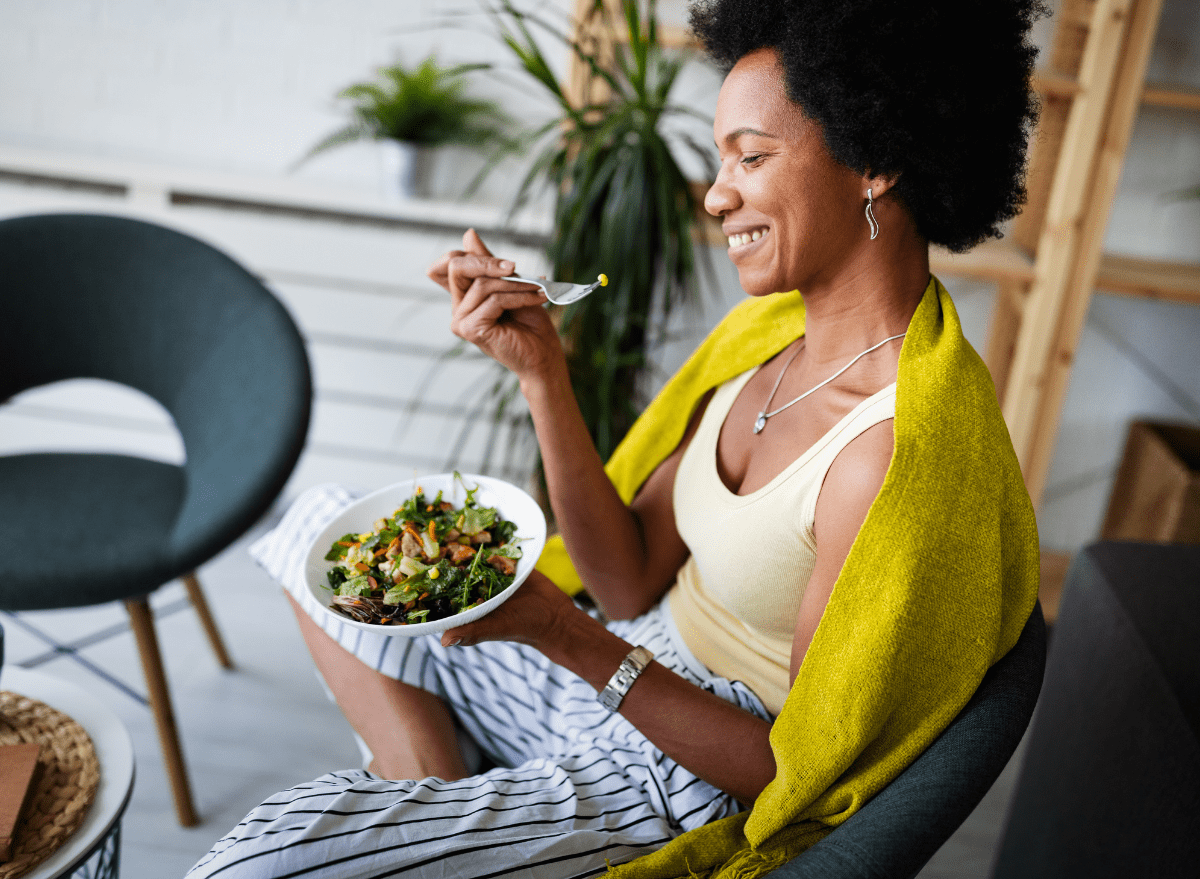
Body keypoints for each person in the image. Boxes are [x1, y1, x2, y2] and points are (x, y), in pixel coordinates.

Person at [190, 0, 1045, 876]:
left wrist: (567, 635)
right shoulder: (768, 342)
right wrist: (541, 373)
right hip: (611, 665)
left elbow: (789, 775)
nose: (717, 195)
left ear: (877, 161)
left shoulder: (890, 457)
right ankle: (435, 803)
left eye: (752, 156)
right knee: (315, 528)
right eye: (723, 160)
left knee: (263, 857)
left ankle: (434, 828)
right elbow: (628, 574)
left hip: (678, 768)